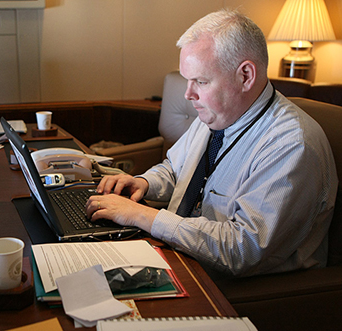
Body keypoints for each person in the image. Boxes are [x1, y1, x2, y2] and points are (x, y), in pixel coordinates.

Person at [85, 9, 338, 278]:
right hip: (182, 257)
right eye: (187, 80)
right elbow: (175, 169)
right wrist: (145, 183)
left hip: (241, 292)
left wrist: (141, 216)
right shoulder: (218, 113)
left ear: (245, 76)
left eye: (201, 81)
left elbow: (242, 249)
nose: (188, 94)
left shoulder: (291, 145)